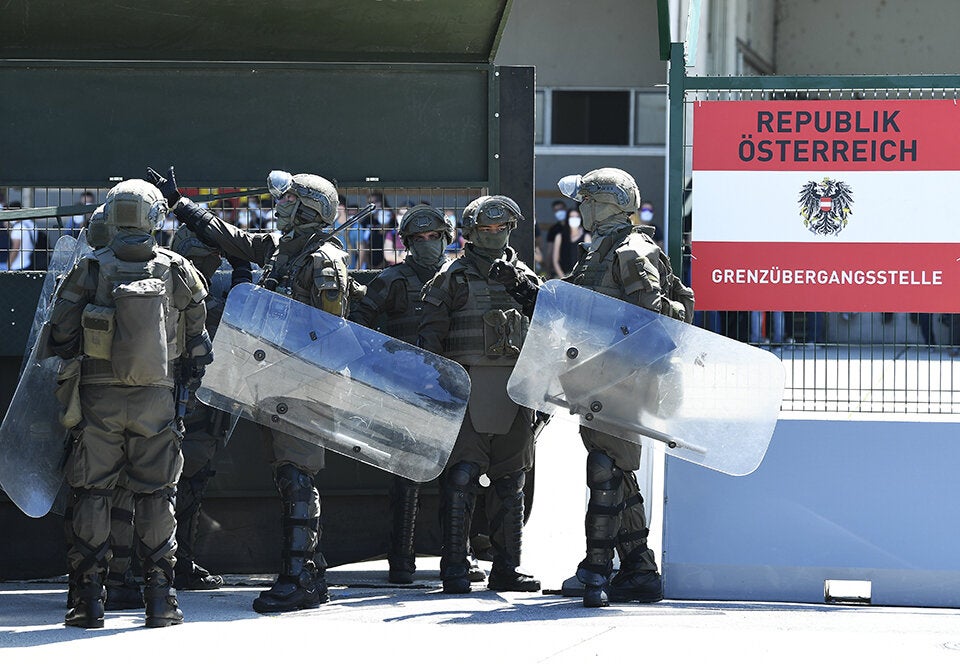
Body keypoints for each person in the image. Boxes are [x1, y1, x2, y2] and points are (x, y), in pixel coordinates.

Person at [149, 165, 364, 613]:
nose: (277, 208)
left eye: (287, 202)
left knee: (296, 475)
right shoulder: (285, 250)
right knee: (288, 474)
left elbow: (328, 333)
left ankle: (298, 578)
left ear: (307, 209)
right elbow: (231, 238)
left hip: (307, 384)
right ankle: (312, 570)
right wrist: (180, 201)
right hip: (278, 382)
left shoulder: (324, 261)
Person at [490, 168, 694, 608]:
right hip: (598, 380)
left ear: (605, 205)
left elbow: (651, 325)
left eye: (586, 200)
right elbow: (574, 310)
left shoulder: (631, 252)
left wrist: (618, 365)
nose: (580, 207)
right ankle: (639, 569)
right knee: (618, 470)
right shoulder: (600, 251)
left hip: (621, 381)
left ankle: (596, 571)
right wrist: (527, 288)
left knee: (604, 466)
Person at [48, 178, 211, 628]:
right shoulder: (178, 269)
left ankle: (89, 602)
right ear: (155, 217)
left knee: (92, 492)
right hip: (157, 400)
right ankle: (161, 600)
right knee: (157, 493)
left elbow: (60, 336)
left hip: (98, 399)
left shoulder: (90, 269)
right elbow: (200, 346)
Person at [418, 195, 541, 595]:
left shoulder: (524, 276)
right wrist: (440, 388)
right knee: (462, 476)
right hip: (467, 385)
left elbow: (548, 325)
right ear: (470, 234)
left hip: (514, 389)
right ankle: (455, 565)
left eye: (501, 228)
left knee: (512, 480)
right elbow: (431, 333)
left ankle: (507, 567)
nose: (494, 235)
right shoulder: (452, 276)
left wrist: (522, 287)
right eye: (486, 230)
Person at [348, 204, 455, 584]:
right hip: (406, 391)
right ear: (407, 244)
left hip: (450, 392)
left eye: (433, 237)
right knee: (406, 478)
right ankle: (402, 560)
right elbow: (358, 325)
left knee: (456, 479)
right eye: (419, 239)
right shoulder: (393, 279)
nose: (427, 245)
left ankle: (458, 557)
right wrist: (383, 363)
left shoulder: (458, 277)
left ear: (447, 238)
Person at [548, 207, 589, 278]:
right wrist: (563, 278)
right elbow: (555, 261)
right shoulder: (559, 236)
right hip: (562, 276)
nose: (574, 219)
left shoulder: (586, 237)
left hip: (579, 278)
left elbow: (588, 260)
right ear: (567, 219)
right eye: (572, 217)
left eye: (577, 217)